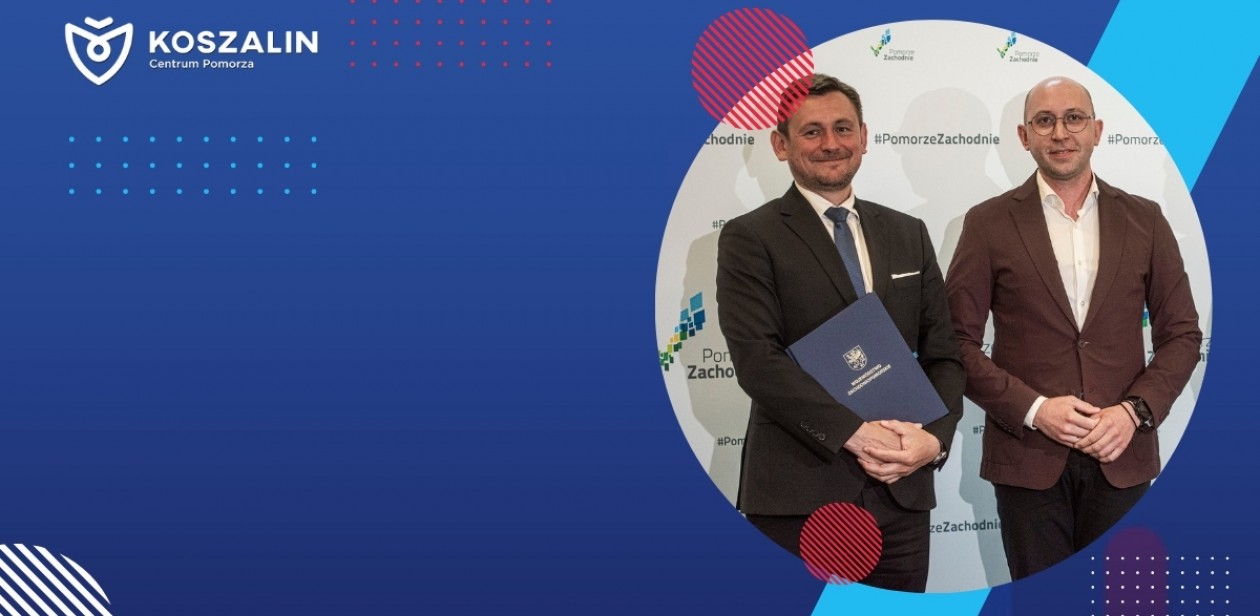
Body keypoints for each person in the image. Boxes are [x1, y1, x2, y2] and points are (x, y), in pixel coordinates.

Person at [716, 73, 965, 592]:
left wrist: (934, 442)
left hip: (901, 493)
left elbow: (944, 354)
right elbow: (759, 362)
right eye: (812, 132)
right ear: (780, 145)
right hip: (802, 493)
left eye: (843, 128)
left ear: (864, 137)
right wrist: (857, 433)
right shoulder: (750, 237)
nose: (831, 143)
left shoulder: (908, 233)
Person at [945, 76, 1201, 580]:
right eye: (1044, 121)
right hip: (1028, 459)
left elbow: (1183, 335)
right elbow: (955, 343)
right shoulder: (987, 223)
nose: (1060, 133)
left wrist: (1134, 412)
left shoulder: (1146, 219)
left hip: (1121, 454)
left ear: (1097, 130)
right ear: (1024, 136)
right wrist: (1036, 410)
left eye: (1073, 118)